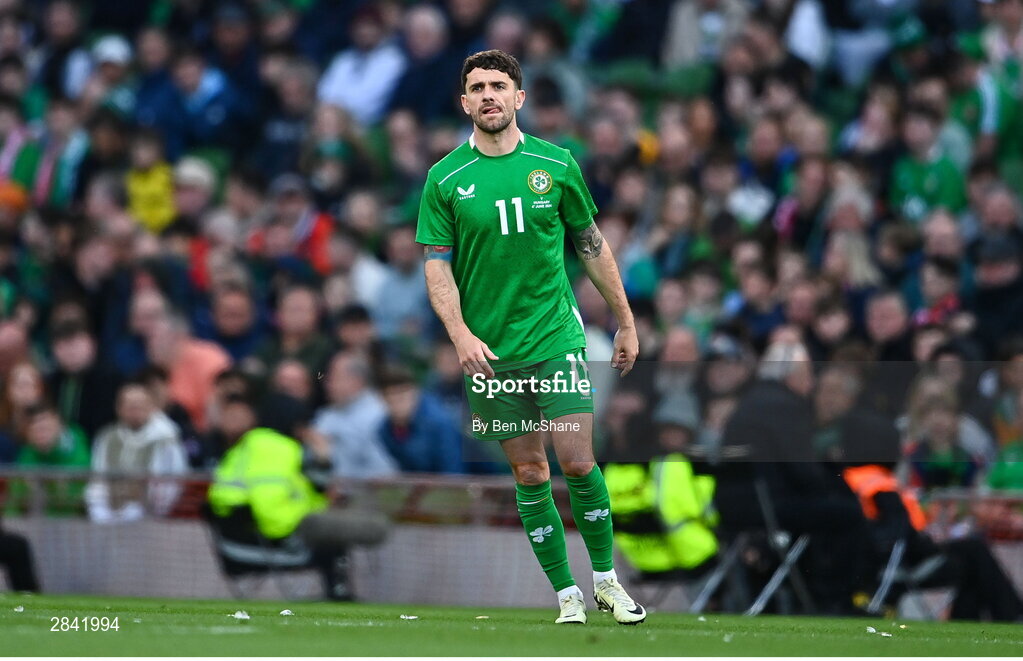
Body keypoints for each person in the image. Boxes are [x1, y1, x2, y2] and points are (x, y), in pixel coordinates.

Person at [416, 50, 644, 625]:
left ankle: (606, 581)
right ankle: (566, 594)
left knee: (577, 460)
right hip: (490, 354)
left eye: (499, 85)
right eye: (477, 87)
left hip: (555, 340)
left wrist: (625, 319)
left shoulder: (557, 163)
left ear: (519, 98)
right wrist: (460, 334)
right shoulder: (445, 179)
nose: (488, 94)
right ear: (464, 102)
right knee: (529, 473)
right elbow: (436, 266)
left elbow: (591, 246)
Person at [208, 392, 389, 601]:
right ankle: (339, 592)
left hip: (240, 539)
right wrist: (306, 523)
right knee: (331, 530)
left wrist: (322, 462)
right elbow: (270, 507)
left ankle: (338, 591)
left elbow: (298, 495)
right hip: (263, 542)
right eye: (302, 424)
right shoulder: (276, 447)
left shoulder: (252, 444)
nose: (305, 432)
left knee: (331, 527)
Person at [85, 381, 189, 524]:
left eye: (140, 406)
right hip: (108, 516)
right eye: (129, 406)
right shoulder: (107, 437)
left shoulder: (165, 439)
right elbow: (98, 478)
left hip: (149, 518)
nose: (135, 411)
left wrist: (151, 512)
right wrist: (100, 511)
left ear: (151, 407)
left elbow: (172, 482)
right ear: (119, 408)